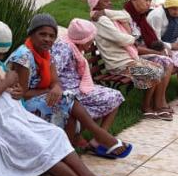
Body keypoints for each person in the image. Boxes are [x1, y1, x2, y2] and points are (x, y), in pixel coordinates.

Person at [0, 21, 132, 176]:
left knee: (56, 134)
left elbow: (9, 87)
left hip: (10, 116)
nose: (2, 57)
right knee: (39, 145)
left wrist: (14, 89)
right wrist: (6, 82)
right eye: (0, 53)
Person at [10, 14, 132, 158]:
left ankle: (69, 151)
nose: (47, 39)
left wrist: (55, 88)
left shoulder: (45, 53)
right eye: (42, 34)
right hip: (20, 105)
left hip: (41, 95)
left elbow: (55, 81)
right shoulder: (24, 56)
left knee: (66, 100)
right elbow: (22, 94)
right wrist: (51, 89)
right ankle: (98, 138)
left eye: (51, 36)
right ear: (31, 33)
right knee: (66, 99)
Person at [91, 0, 173, 120]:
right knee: (155, 72)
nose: (110, 3)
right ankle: (146, 107)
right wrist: (132, 38)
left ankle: (149, 105)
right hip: (117, 64)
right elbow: (121, 39)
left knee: (158, 69)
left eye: (109, 0)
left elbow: (126, 16)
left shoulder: (104, 15)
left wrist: (105, 11)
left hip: (126, 59)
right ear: (95, 2)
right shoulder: (101, 20)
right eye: (106, 2)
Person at [53, 18, 131, 157]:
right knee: (115, 97)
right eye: (90, 41)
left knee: (114, 96)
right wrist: (60, 89)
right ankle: (100, 139)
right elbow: (54, 72)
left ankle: (97, 138)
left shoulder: (72, 45)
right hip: (69, 89)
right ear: (82, 40)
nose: (91, 44)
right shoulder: (64, 48)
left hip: (76, 86)